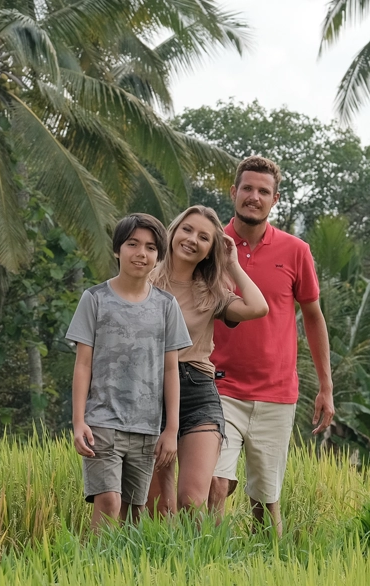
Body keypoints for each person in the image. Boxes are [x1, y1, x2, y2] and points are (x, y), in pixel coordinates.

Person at [207, 156, 334, 535]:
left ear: (275, 199)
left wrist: (326, 387)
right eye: (247, 188)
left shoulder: (296, 251)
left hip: (276, 393)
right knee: (216, 484)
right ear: (234, 192)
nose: (254, 197)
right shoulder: (210, 244)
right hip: (217, 386)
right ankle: (202, 563)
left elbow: (313, 316)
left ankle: (271, 569)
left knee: (265, 501)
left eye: (263, 191)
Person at [66, 213, 191, 530]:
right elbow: (83, 363)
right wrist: (79, 420)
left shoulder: (166, 305)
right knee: (108, 502)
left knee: (135, 514)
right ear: (117, 250)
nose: (141, 253)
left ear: (158, 257)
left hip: (146, 427)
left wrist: (171, 429)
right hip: (102, 421)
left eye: (150, 247)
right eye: (132, 244)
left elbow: (170, 369)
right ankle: (89, 571)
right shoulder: (95, 299)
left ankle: (116, 573)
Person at [146, 206, 269, 516]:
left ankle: (196, 562)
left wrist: (233, 264)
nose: (192, 240)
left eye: (204, 238)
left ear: (210, 250)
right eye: (187, 230)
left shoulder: (212, 293)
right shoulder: (144, 282)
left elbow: (258, 308)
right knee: (157, 506)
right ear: (173, 232)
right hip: (148, 393)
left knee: (191, 501)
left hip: (197, 391)